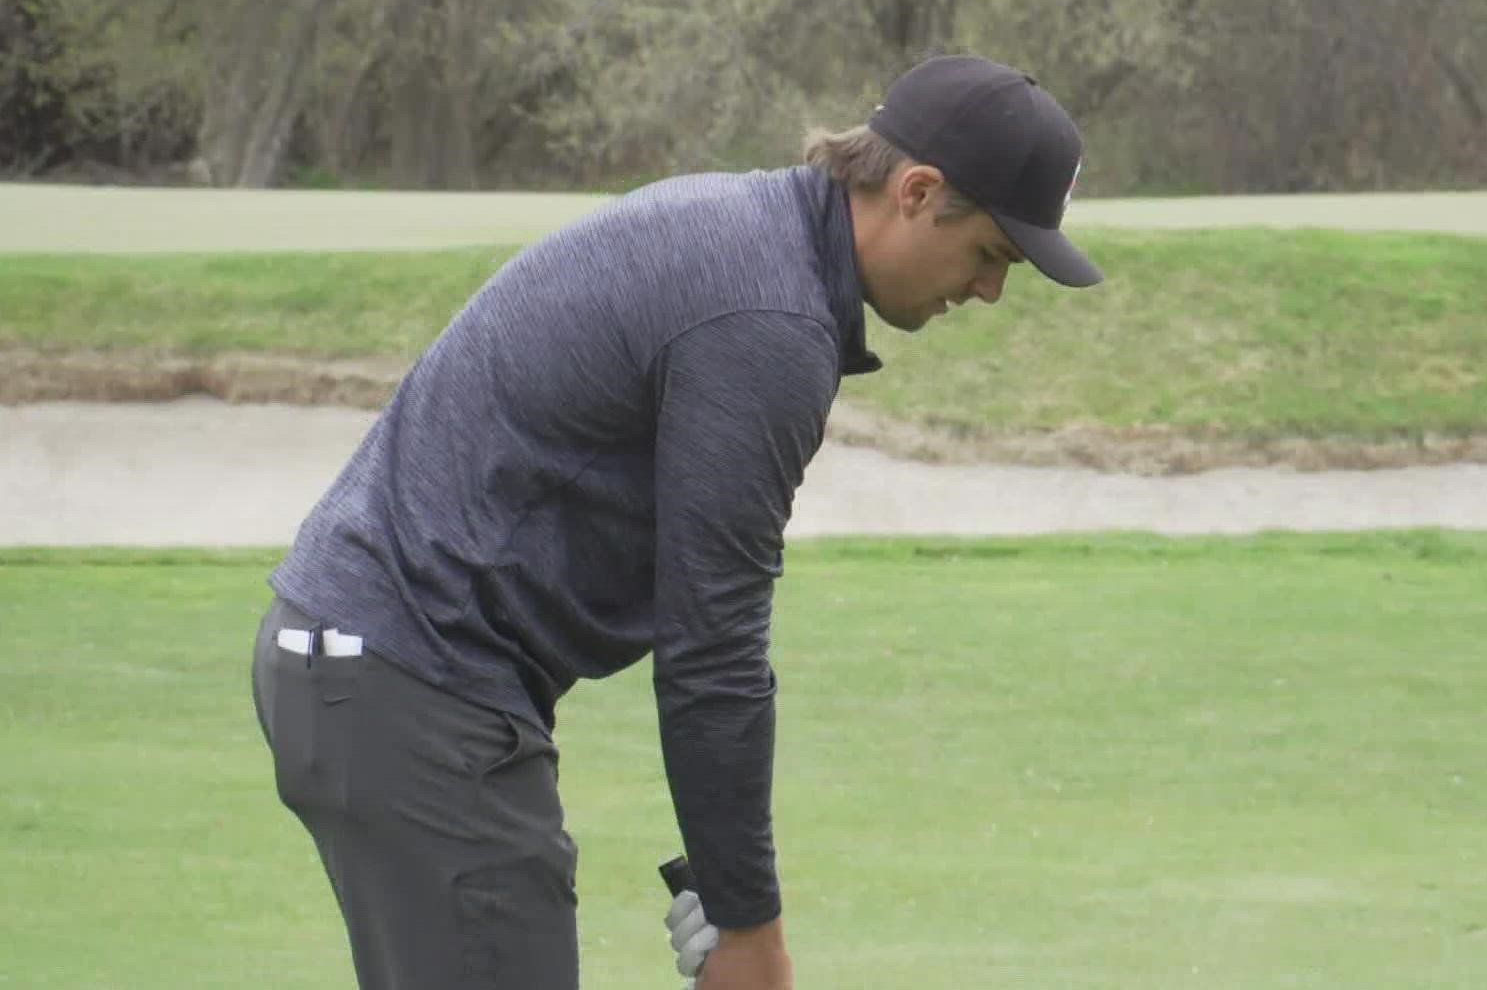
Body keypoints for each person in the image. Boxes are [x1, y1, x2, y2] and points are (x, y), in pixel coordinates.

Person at [248, 53, 1103, 990]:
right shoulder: (767, 318)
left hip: (375, 670)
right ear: (916, 190)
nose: (989, 292)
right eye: (989, 254)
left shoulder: (756, 238)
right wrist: (748, 925)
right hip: (409, 683)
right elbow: (713, 647)